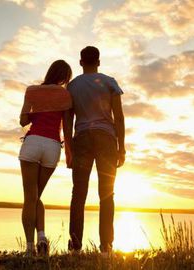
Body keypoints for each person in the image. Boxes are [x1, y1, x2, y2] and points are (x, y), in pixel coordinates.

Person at [64, 46, 126, 254]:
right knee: (106, 193)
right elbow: (119, 116)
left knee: (78, 193)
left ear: (81, 62)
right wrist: (122, 147)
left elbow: (67, 119)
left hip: (81, 138)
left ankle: (75, 246)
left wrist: (69, 149)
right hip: (107, 139)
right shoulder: (109, 82)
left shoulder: (72, 86)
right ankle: (106, 247)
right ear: (99, 62)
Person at [18, 60, 72, 256]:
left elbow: (23, 120)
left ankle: (30, 248)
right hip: (52, 147)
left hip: (32, 144)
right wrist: (69, 153)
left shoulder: (32, 90)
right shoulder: (66, 95)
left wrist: (35, 116)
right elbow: (67, 127)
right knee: (36, 197)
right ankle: (42, 237)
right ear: (65, 78)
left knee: (29, 198)